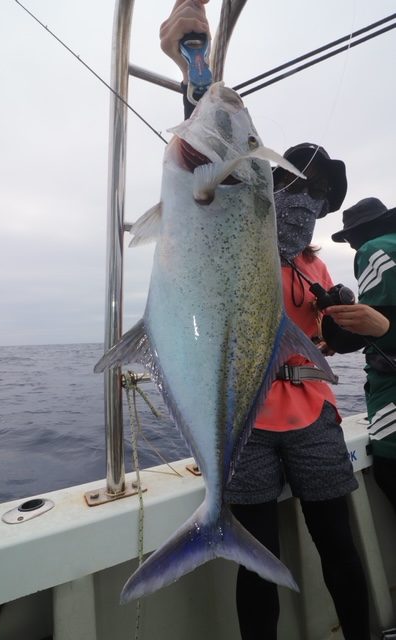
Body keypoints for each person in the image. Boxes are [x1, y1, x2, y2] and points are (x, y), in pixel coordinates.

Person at [160, 2, 371, 639]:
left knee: (339, 543)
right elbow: (212, 167)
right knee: (257, 568)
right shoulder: (250, 236)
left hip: (314, 419)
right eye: (301, 189)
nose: (310, 203)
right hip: (246, 426)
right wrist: (193, 68)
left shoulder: (312, 263)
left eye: (321, 198)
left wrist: (350, 324)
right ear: (274, 190)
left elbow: (323, 341)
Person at [324, 197, 396, 514]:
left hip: (391, 398)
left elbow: (377, 323)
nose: (351, 246)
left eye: (349, 237)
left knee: (389, 473)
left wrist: (337, 332)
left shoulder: (373, 250)